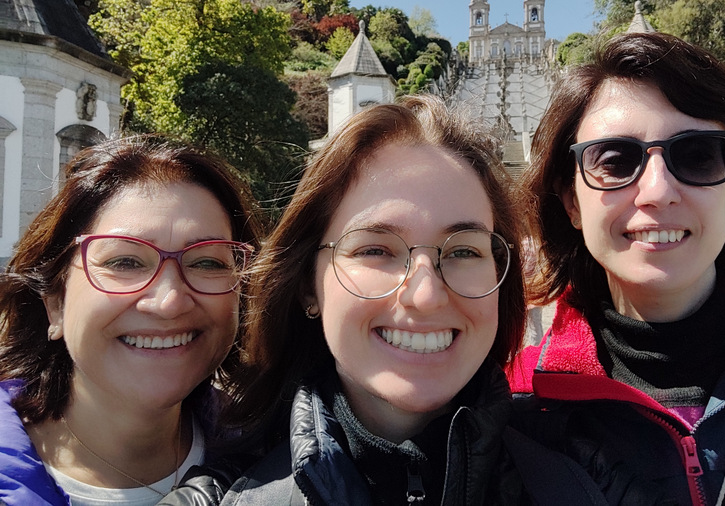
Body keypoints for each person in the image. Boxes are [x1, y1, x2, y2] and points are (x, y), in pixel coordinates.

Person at [161, 96, 607, 505]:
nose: (426, 295)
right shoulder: (227, 497)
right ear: (307, 285)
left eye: (464, 251)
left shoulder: (592, 478)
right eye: (375, 250)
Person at [507, 32, 725, 505]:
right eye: (615, 160)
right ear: (571, 202)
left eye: (698, 156)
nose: (657, 191)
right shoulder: (515, 403)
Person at [0, 134, 263, 506]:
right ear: (55, 303)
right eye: (124, 262)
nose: (169, 302)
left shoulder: (280, 461)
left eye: (207, 262)